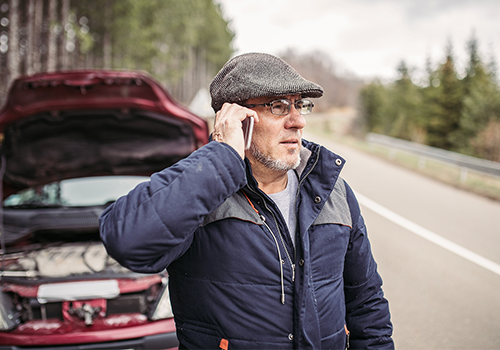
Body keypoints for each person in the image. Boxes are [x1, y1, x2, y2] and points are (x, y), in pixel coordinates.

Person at [100, 52, 394, 349]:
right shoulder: (200, 195)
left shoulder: (334, 192)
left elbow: (366, 303)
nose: (298, 121)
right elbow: (126, 241)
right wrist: (222, 156)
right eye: (279, 107)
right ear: (237, 118)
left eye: (300, 105)